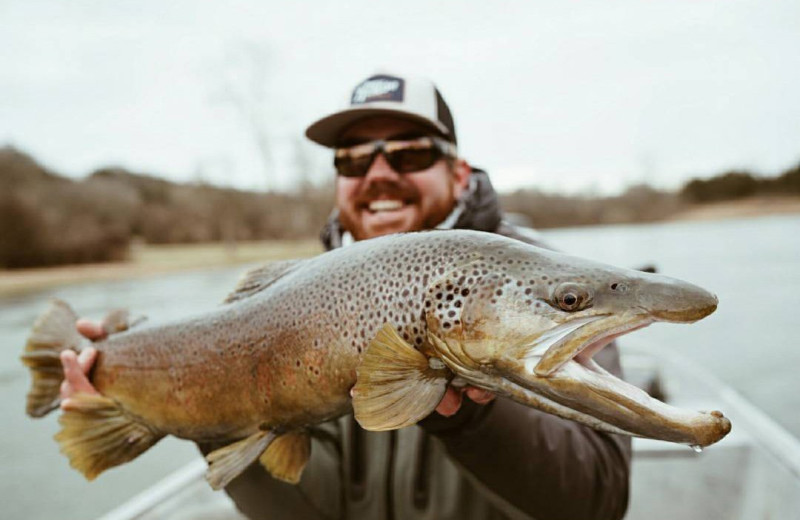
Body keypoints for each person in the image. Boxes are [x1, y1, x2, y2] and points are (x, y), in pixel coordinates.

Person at [60, 73, 631, 520]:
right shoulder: (304, 301)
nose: (378, 173)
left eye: (408, 154)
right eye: (353, 160)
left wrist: (471, 422)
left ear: (459, 175)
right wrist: (201, 410)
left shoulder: (548, 290)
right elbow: (306, 510)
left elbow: (597, 504)